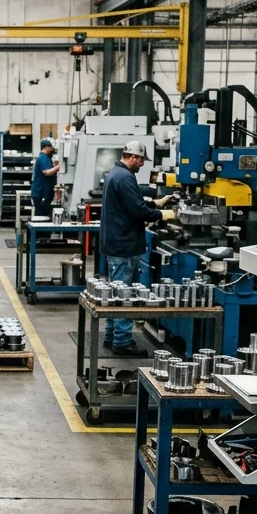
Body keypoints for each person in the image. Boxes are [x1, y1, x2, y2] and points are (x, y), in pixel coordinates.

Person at [100, 140, 176, 355]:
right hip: (124, 244)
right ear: (133, 157)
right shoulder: (124, 177)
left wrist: (155, 202)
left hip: (115, 241)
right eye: (141, 160)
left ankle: (110, 336)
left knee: (115, 292)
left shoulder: (116, 173)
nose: (142, 165)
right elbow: (137, 211)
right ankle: (122, 342)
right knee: (124, 294)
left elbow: (133, 202)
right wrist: (163, 214)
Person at [31, 137, 60, 218]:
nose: (52, 150)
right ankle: (41, 231)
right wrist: (59, 166)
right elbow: (46, 172)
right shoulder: (42, 158)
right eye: (51, 148)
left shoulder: (46, 158)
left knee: (44, 215)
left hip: (44, 193)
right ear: (46, 147)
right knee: (41, 216)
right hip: (41, 193)